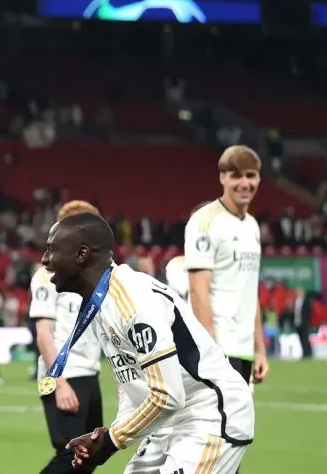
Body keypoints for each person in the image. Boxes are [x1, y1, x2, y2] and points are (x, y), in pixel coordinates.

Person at [41, 212, 254, 473]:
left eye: (52, 249)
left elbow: (168, 395)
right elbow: (131, 380)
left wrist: (111, 441)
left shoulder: (131, 302)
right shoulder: (100, 302)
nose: (45, 259)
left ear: (81, 254)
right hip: (170, 420)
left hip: (209, 414)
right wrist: (107, 435)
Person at [28, 200, 104, 474]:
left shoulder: (94, 278)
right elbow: (44, 333)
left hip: (89, 373)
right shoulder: (48, 276)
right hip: (62, 375)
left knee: (90, 458)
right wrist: (59, 383)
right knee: (69, 456)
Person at [184, 145, 268, 387]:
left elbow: (250, 292)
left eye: (250, 175)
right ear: (222, 178)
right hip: (218, 350)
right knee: (216, 425)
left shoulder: (252, 225)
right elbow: (199, 290)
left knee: (240, 426)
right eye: (236, 175)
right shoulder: (205, 221)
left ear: (259, 178)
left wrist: (260, 349)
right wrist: (210, 350)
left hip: (244, 351)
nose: (244, 183)